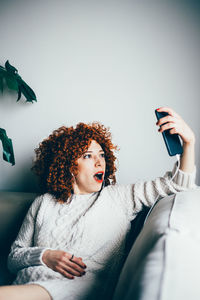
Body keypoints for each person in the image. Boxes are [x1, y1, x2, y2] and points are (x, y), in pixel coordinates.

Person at [0, 107, 197, 300]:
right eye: (88, 155)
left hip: (77, 290)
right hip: (25, 284)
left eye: (102, 155)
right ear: (68, 165)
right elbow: (14, 258)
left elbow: (177, 184)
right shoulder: (43, 203)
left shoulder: (119, 198)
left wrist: (189, 143)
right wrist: (45, 256)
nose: (99, 162)